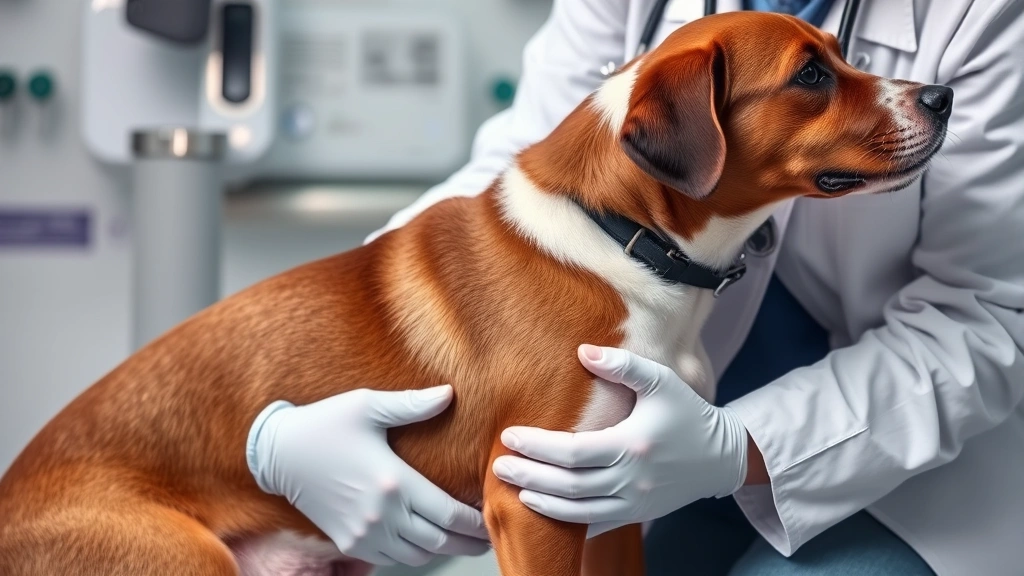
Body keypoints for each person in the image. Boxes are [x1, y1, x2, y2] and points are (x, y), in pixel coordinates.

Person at [246, 0, 1024, 573]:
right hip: (669, 438)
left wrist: (738, 449)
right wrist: (324, 392)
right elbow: (527, 170)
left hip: (902, 459)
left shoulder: (981, 15)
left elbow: (988, 314)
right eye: (816, 75)